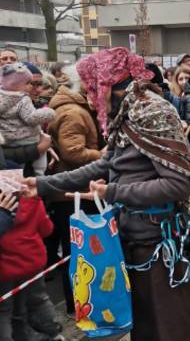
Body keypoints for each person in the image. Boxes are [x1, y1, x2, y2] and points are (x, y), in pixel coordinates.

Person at [22, 47, 190, 341]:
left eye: (91, 87)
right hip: (133, 239)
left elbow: (178, 184)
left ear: (108, 82)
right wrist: (42, 185)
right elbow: (106, 163)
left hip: (157, 243)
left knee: (170, 329)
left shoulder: (151, 110)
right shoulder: (127, 112)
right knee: (145, 328)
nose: (90, 95)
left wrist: (114, 191)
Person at [45, 84, 104, 314]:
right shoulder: (73, 112)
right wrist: (104, 155)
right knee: (79, 251)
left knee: (78, 250)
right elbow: (73, 152)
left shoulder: (71, 108)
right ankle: (80, 303)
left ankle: (81, 302)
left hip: (72, 190)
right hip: (73, 192)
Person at [0, 186, 63, 341]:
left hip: (6, 268)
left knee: (4, 310)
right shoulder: (32, 200)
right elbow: (47, 230)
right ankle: (53, 331)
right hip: (33, 263)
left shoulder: (3, 213)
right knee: (39, 299)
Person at [0, 63, 56, 176]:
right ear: (17, 85)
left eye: (41, 84)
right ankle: (40, 176)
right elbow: (31, 118)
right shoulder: (23, 99)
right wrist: (38, 149)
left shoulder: (4, 98)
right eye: (31, 83)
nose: (38, 89)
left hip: (12, 144)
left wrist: (47, 147)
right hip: (15, 169)